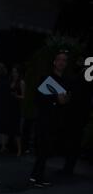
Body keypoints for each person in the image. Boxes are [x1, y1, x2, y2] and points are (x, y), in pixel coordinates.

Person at [30, 51, 71, 187]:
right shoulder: (46, 78)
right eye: (59, 59)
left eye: (64, 60)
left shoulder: (65, 80)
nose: (61, 62)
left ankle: (36, 176)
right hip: (44, 119)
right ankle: (38, 178)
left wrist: (64, 100)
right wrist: (55, 99)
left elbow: (66, 99)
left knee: (46, 149)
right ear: (54, 62)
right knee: (43, 149)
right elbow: (39, 98)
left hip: (55, 120)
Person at [9, 64, 25, 156]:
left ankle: (19, 149)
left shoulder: (21, 82)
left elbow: (23, 96)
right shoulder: (11, 82)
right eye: (13, 72)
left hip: (17, 107)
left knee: (17, 129)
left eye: (16, 72)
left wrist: (16, 96)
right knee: (11, 127)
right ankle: (10, 146)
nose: (14, 73)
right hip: (10, 106)